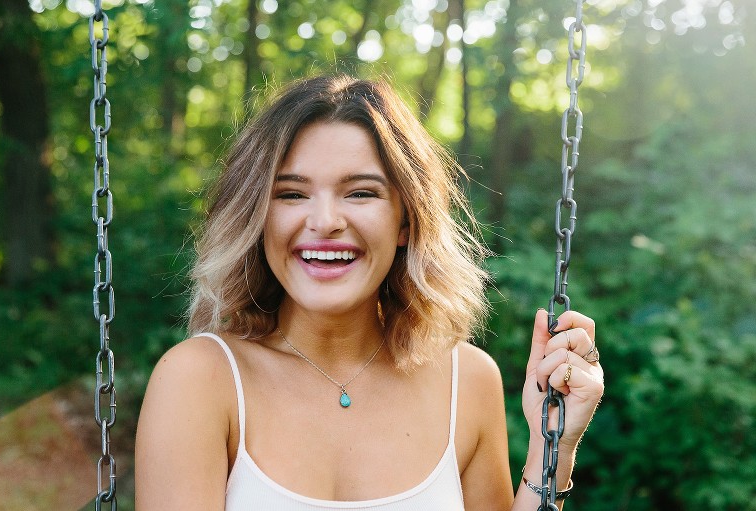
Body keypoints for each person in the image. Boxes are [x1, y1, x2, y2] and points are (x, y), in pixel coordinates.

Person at [135, 74, 604, 510]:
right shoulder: (200, 380)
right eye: (292, 194)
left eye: (360, 193)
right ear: (257, 218)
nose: (324, 222)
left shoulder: (468, 381)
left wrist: (553, 448)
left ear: (406, 220)